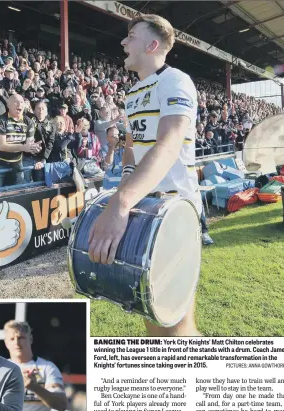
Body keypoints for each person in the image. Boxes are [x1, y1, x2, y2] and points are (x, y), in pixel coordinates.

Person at [88, 14, 202, 337]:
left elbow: (168, 145)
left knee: (175, 327)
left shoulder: (176, 82)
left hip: (176, 213)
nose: (123, 42)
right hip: (146, 209)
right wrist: (126, 182)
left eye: (131, 36)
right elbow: (131, 145)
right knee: (153, 320)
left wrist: (121, 202)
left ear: (152, 45)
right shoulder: (132, 94)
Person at [3, 320, 67, 411]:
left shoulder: (47, 367)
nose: (16, 342)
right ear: (6, 343)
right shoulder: (0, 369)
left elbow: (61, 405)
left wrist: (34, 387)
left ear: (31, 339)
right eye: (12, 339)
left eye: (21, 338)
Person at [0, 94, 40, 188]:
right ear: (8, 105)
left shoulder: (29, 122)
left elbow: (29, 144)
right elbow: (2, 146)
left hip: (17, 164)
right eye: (16, 101)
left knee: (19, 194)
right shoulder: (1, 121)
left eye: (22, 102)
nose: (20, 104)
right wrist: (24, 147)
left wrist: (34, 148)